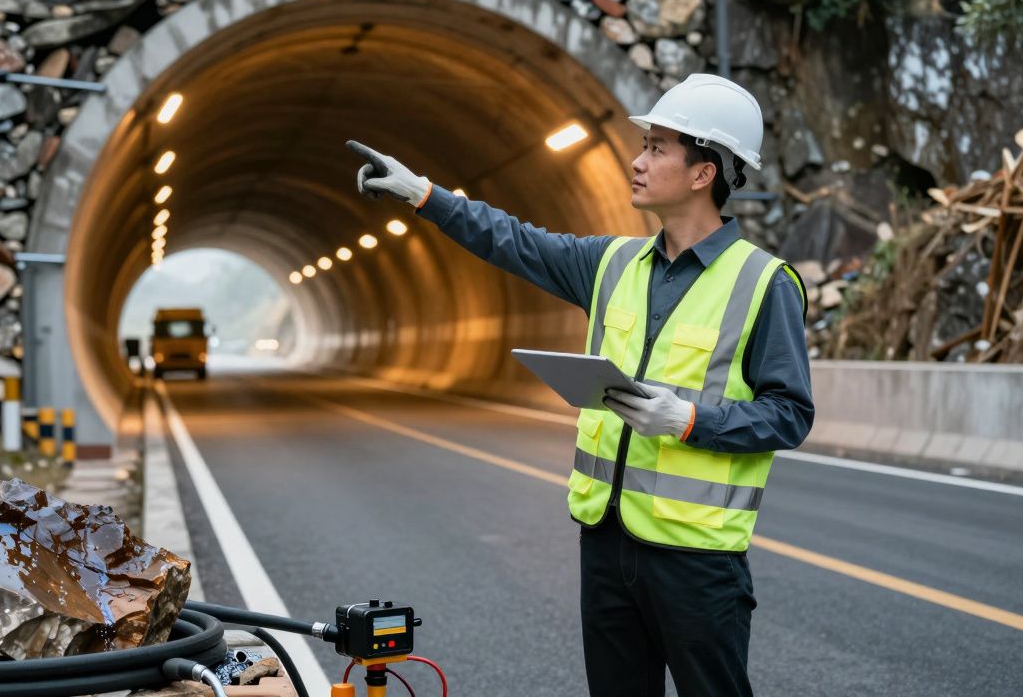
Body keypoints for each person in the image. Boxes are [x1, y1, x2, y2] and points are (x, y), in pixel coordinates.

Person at [346, 73, 815, 696]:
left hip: (696, 559)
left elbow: (789, 414)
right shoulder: (612, 263)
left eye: (657, 148)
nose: (637, 160)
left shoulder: (764, 282)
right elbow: (516, 242)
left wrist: (689, 419)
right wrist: (426, 195)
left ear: (704, 173)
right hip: (606, 542)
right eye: (643, 145)